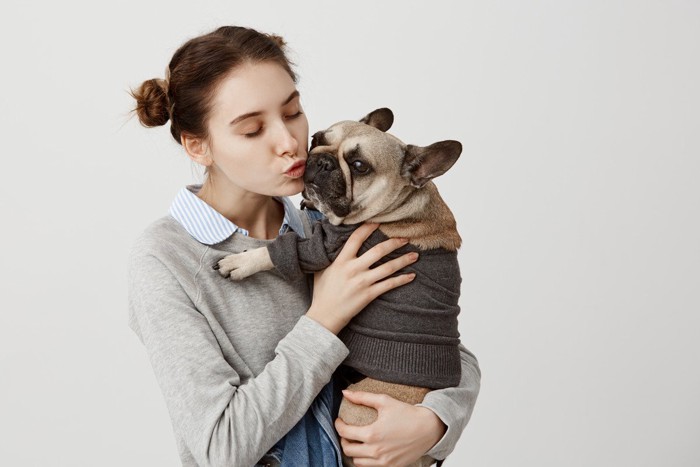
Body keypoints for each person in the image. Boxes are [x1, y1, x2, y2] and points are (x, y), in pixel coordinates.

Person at [128, 25, 480, 467]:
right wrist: (325, 318)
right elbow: (220, 449)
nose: (288, 142)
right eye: (253, 130)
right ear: (199, 147)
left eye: (293, 112)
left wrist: (435, 424)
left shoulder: (338, 220)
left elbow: (441, 340)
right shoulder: (166, 258)